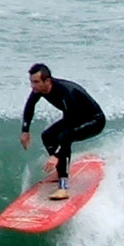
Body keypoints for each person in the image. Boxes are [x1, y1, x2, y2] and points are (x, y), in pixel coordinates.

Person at [20, 63, 106, 200]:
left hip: (94, 121)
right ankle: (62, 171)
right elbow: (29, 106)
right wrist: (25, 131)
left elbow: (69, 123)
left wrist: (56, 155)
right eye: (31, 82)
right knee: (47, 136)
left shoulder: (66, 92)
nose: (32, 86)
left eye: (36, 82)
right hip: (77, 118)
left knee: (65, 136)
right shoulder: (39, 90)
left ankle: (63, 188)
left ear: (47, 81)